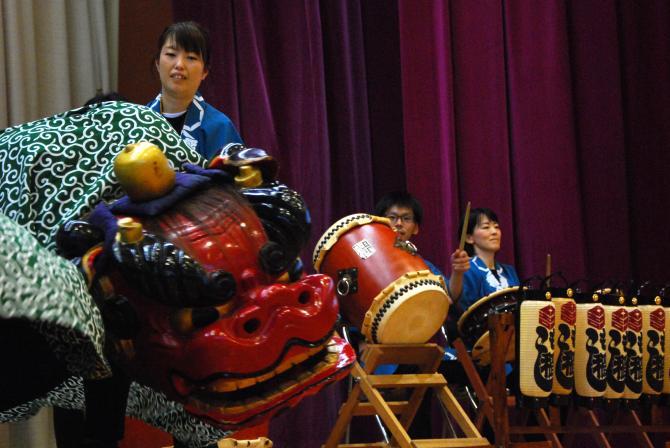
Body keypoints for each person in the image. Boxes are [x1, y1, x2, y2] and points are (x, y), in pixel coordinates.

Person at [147, 21, 242, 161]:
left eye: (191, 57)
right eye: (171, 54)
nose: (179, 64)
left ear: (205, 71)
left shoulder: (219, 127)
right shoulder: (138, 121)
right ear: (157, 63)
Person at [447, 207, 520, 315]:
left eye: (496, 227)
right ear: (469, 238)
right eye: (486, 227)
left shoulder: (509, 271)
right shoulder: (466, 270)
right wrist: (457, 273)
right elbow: (457, 305)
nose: (494, 231)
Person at [374, 191, 445, 279]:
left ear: (415, 228)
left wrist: (457, 272)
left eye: (406, 218)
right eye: (392, 217)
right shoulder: (367, 259)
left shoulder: (425, 267)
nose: (399, 223)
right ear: (379, 222)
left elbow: (448, 291)